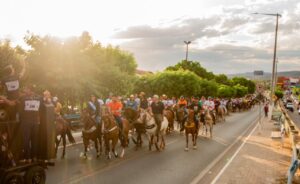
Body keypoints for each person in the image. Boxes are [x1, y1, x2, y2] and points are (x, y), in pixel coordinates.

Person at [19, 85, 42, 163]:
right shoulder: (39, 98)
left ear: (30, 90)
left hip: (26, 122)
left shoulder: (23, 99)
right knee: (35, 140)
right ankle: (34, 157)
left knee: (26, 140)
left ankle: (28, 158)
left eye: (26, 89)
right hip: (35, 123)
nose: (25, 91)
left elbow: (20, 110)